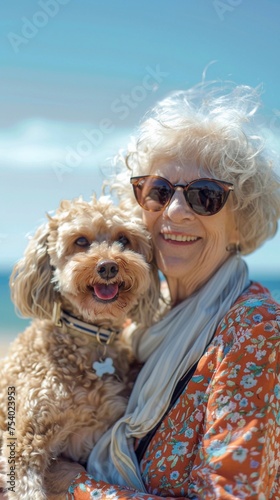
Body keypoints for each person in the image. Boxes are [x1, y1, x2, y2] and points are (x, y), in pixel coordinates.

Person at [2, 82, 280, 500]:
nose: (176, 211)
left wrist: (71, 484)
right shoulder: (136, 322)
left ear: (242, 219)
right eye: (159, 191)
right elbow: (12, 416)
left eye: (205, 196)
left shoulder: (256, 331)